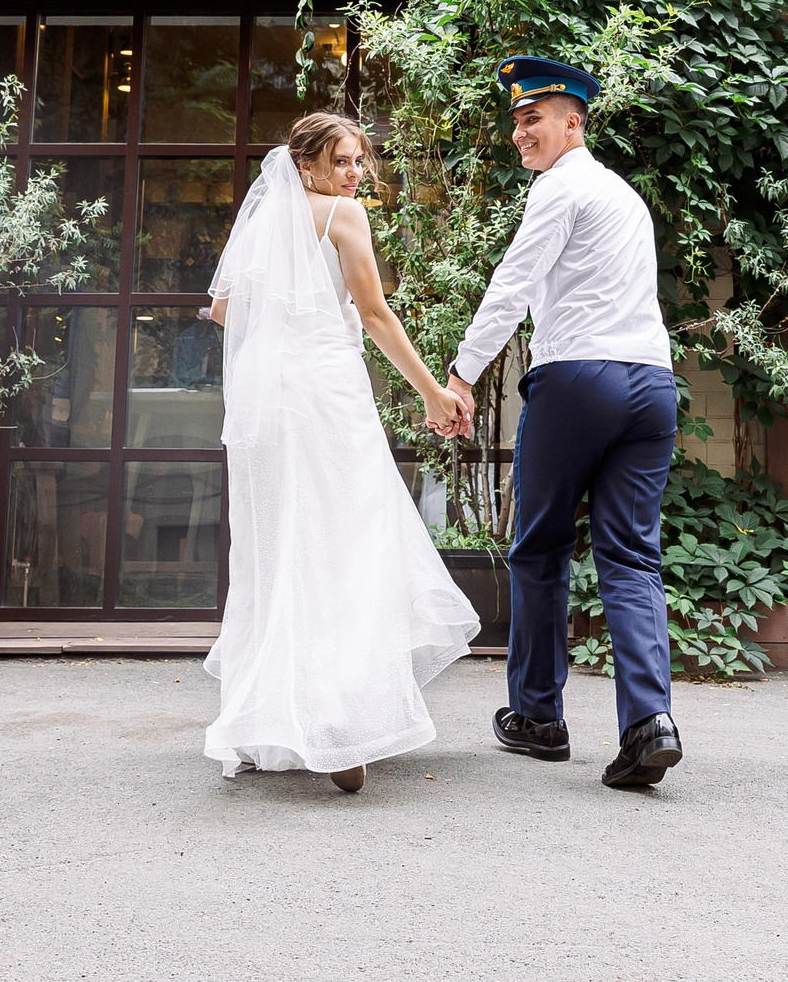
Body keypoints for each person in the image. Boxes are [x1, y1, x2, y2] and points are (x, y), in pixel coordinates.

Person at [201, 112, 479, 793]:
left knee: (276, 549)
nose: (355, 174)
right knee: (346, 538)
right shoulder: (344, 217)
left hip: (266, 402)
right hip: (324, 394)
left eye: (359, 161)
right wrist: (435, 395)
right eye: (342, 161)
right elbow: (377, 313)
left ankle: (266, 721)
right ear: (307, 165)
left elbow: (222, 310)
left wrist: (292, 317)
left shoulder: (265, 220)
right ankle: (339, 722)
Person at [442, 56, 684, 791]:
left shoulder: (560, 186)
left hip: (580, 378)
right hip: (653, 386)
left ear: (573, 120)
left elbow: (514, 280)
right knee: (633, 555)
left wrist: (460, 373)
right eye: (516, 122)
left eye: (533, 119)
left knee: (540, 545)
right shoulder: (624, 195)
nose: (521, 133)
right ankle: (651, 721)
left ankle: (539, 715)